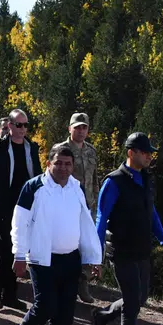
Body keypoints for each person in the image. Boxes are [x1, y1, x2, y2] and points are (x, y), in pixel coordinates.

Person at [9, 143, 103, 325]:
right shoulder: (34, 187)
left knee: (65, 311)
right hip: (42, 258)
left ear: (72, 167)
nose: (63, 168)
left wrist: (93, 257)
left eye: (67, 164)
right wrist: (19, 254)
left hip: (70, 258)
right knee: (46, 305)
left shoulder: (76, 188)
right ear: (48, 163)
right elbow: (19, 222)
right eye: (58, 162)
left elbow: (85, 223)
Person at [92, 132, 163, 325]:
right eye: (145, 152)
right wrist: (95, 256)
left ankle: (103, 316)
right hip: (120, 249)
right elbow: (101, 219)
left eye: (150, 152)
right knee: (132, 301)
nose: (150, 156)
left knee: (140, 298)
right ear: (131, 153)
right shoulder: (114, 182)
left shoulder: (147, 179)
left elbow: (151, 213)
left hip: (142, 248)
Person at [0, 109, 40, 310]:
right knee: (5, 249)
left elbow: (37, 178)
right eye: (18, 125)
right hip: (2, 208)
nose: (22, 129)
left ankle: (10, 294)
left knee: (17, 250)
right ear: (10, 126)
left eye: (25, 125)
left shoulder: (32, 149)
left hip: (24, 208)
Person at [66, 112, 100, 303]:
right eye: (77, 127)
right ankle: (67, 284)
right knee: (68, 245)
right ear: (69, 128)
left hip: (88, 205)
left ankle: (83, 283)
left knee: (87, 245)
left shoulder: (91, 151)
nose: (80, 130)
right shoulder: (61, 150)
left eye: (84, 127)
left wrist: (95, 201)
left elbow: (94, 178)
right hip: (68, 205)